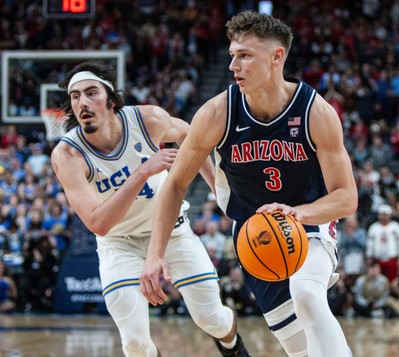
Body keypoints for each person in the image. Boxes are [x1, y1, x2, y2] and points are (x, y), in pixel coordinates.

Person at [141, 11, 358, 357]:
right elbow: (176, 184)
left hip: (309, 220)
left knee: (306, 292)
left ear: (276, 57)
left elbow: (347, 198)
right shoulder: (216, 113)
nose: (233, 66)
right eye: (232, 56)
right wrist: (155, 255)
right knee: (299, 349)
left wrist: (299, 214)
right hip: (254, 233)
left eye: (244, 55)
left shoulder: (316, 112)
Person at [50, 62, 250, 357]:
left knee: (213, 320)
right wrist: (142, 172)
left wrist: (219, 192)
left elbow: (194, 138)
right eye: (76, 96)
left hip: (172, 230)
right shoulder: (67, 154)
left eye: (91, 93)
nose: (82, 102)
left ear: (111, 100)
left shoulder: (148, 120)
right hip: (119, 244)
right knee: (135, 343)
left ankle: (232, 345)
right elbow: (98, 223)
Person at [366, 204, 399, 282]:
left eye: (385, 215)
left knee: (393, 280)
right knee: (377, 280)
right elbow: (370, 243)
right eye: (382, 215)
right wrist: (369, 256)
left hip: (392, 259)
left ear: (390, 215)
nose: (383, 217)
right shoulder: (373, 227)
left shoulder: (396, 227)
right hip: (377, 260)